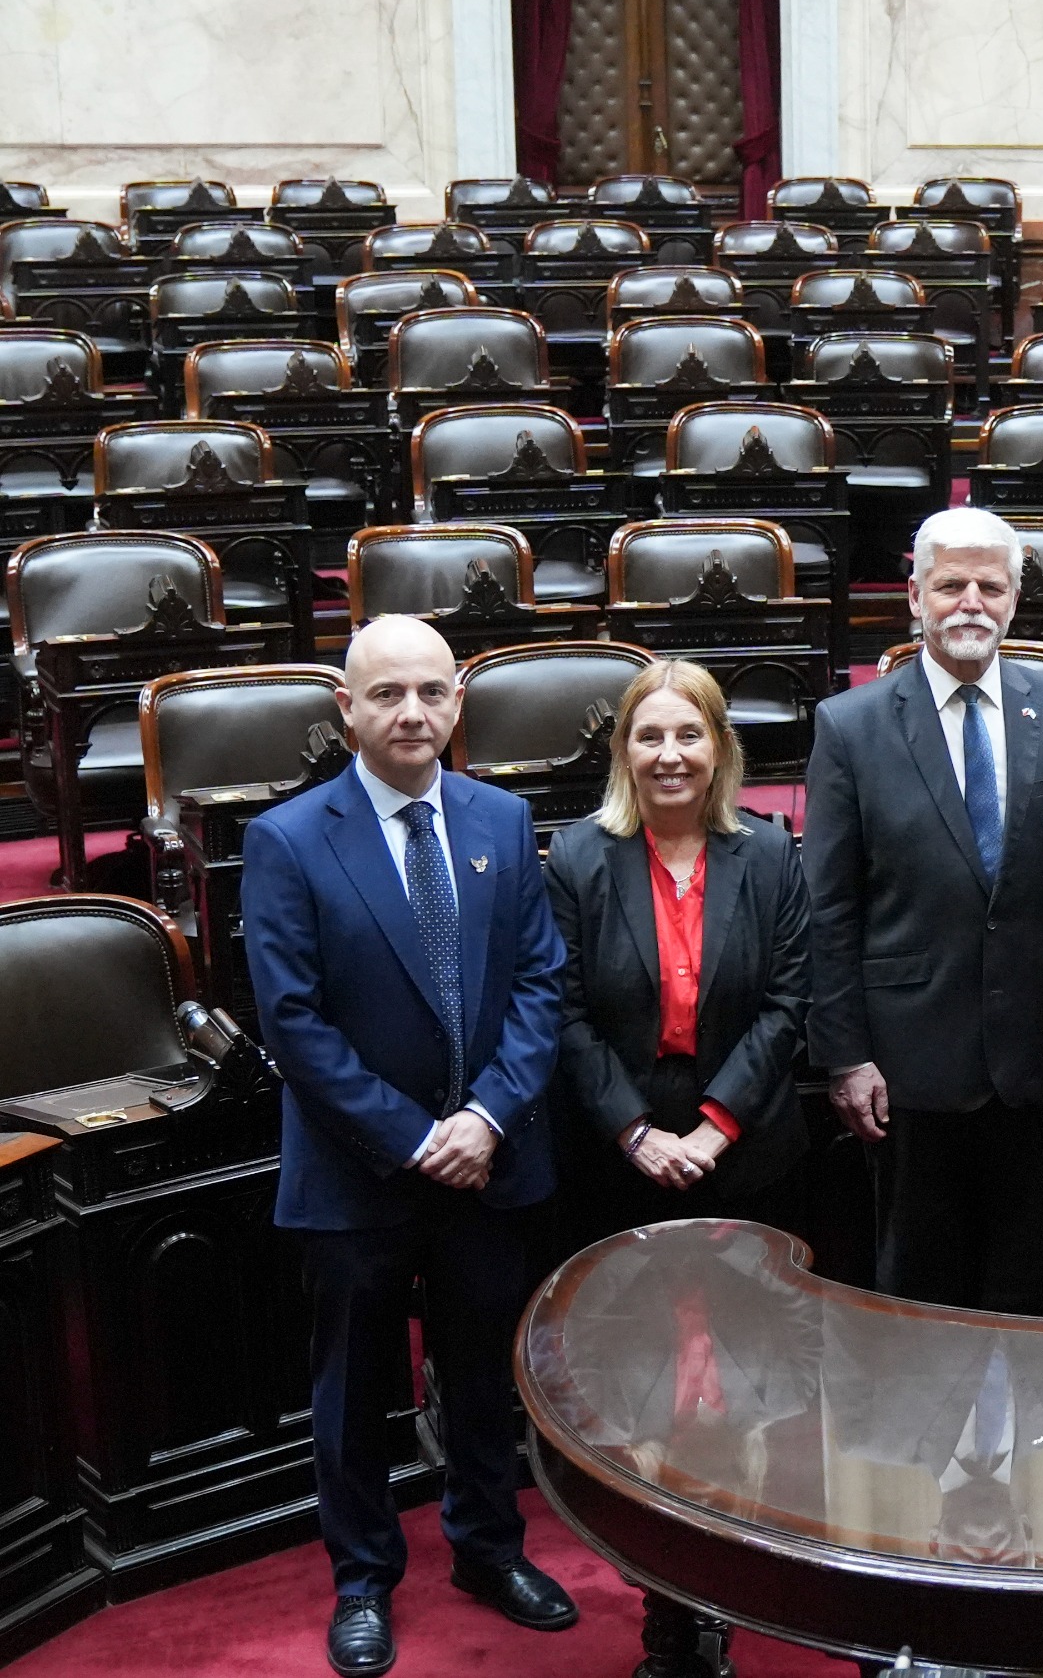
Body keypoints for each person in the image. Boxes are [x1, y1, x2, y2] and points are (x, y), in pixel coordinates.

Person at [240, 616, 575, 1678]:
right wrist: (414, 1135)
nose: (412, 714)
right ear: (346, 708)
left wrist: (484, 1119)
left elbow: (539, 984)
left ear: (458, 702)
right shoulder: (288, 838)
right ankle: (362, 1580)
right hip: (357, 1172)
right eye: (387, 694)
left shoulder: (501, 817)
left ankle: (488, 1550)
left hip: (490, 1159)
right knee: (353, 1391)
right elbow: (293, 1024)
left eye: (431, 692)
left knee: (483, 1376)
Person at [803, 505, 1043, 1314]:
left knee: (1032, 1289)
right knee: (920, 1295)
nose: (971, 603)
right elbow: (830, 907)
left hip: (1036, 1051)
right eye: (951, 585)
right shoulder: (849, 726)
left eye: (991, 585)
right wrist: (846, 1055)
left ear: (1016, 598)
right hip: (909, 1060)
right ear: (914, 597)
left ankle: (1032, 1444)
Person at [545, 657, 812, 1236]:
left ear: (719, 748)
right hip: (615, 1140)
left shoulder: (770, 855)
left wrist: (717, 1128)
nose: (670, 755)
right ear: (624, 753)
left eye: (690, 735)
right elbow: (564, 1013)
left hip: (748, 1135)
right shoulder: (576, 859)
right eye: (650, 737)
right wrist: (635, 1134)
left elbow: (787, 1004)